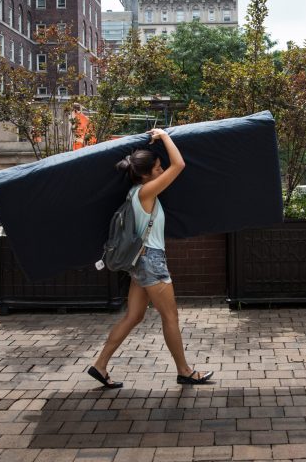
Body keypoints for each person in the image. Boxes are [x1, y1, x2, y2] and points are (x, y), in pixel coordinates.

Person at [87, 128, 214, 388]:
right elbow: (179, 164)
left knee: (134, 316)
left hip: (140, 262)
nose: (160, 170)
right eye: (156, 168)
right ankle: (185, 371)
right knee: (171, 317)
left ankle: (100, 366)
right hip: (151, 261)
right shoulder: (145, 191)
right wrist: (164, 136)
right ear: (145, 174)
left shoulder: (135, 193)